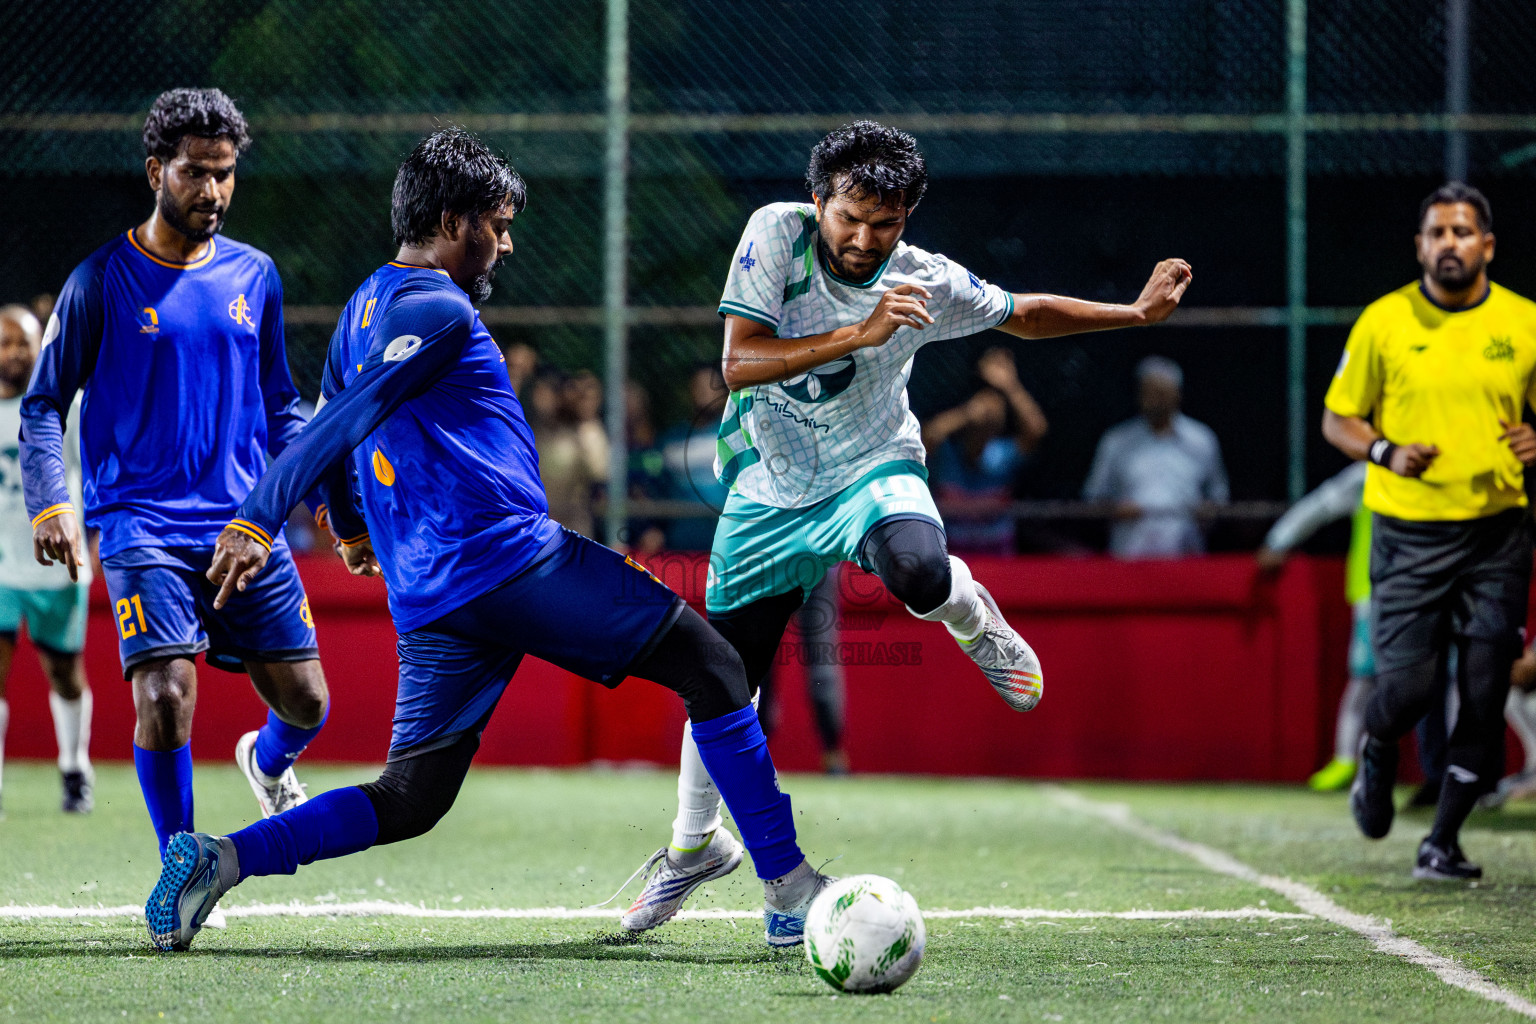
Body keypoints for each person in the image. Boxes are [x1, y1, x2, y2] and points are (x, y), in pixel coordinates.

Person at [145, 128, 832, 953]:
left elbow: (333, 413)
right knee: (718, 667)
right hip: (513, 564)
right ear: (450, 219)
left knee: (411, 797)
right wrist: (257, 519)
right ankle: (790, 888)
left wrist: (353, 525)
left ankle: (218, 861)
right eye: (496, 225)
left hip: (433, 600)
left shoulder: (361, 308)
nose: (503, 243)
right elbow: (340, 421)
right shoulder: (436, 308)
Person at [616, 120, 1191, 935]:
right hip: (767, 490)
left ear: (908, 217)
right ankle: (691, 851)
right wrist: (863, 330)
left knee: (920, 571)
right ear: (819, 200)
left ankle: (972, 613)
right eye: (848, 216)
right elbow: (737, 363)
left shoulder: (923, 278)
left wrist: (1133, 315)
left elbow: (1022, 314)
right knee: (720, 683)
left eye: (884, 223)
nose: (862, 237)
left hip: (871, 468)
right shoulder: (776, 234)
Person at [21, 89, 330, 864]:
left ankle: (266, 761)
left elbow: (281, 407)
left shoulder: (256, 276)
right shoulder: (99, 280)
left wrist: (325, 494)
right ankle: (182, 866)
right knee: (164, 693)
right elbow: (41, 405)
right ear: (157, 170)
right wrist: (50, 502)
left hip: (243, 526)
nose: (214, 191)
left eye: (225, 174)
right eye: (196, 173)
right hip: (141, 527)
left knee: (308, 702)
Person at [1324, 181, 1536, 880]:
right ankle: (1379, 750)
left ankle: (1443, 841)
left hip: (1497, 533)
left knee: (1483, 692)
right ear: (1420, 246)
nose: (1450, 243)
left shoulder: (1525, 322)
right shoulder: (1384, 322)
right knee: (1408, 691)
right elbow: (1338, 418)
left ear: (1488, 245)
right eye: (1437, 233)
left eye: (1462, 232)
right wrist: (1386, 451)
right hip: (1410, 534)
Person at [0, 306, 94, 815]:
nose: (15, 353)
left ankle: (75, 769)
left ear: (41, 349)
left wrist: (92, 542)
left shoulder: (64, 407)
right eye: (5, 343)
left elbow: (94, 474)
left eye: (24, 344)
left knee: (64, 673)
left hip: (56, 566)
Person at [1256, 462, 1374, 790]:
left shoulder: (1444, 462)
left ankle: (1449, 767)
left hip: (1433, 589)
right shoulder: (1370, 473)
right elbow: (1320, 505)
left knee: (1436, 680)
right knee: (1367, 678)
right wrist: (1279, 540)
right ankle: (1348, 758)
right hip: (1375, 593)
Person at [1083, 356, 1228, 558]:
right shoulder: (1116, 441)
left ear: (1177, 394)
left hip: (1186, 555)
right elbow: (1094, 497)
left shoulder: (1202, 439)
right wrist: (1117, 510)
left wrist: (1206, 512)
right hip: (1130, 556)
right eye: (1149, 392)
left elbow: (1218, 495)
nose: (1154, 400)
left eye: (1161, 393)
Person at [923, 346, 1049, 554]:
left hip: (998, 556)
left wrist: (1010, 386)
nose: (991, 412)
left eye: (997, 410)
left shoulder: (1003, 454)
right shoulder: (948, 453)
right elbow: (930, 433)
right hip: (952, 557)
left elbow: (1036, 430)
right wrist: (967, 413)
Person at [658, 363, 730, 550]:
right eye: (698, 386)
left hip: (726, 541)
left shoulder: (736, 434)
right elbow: (659, 486)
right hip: (679, 541)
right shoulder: (670, 440)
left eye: (710, 386)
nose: (704, 392)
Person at [537, 369, 608, 538]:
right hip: (542, 516)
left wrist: (585, 421)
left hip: (573, 520)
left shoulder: (589, 432)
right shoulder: (542, 431)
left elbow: (599, 471)